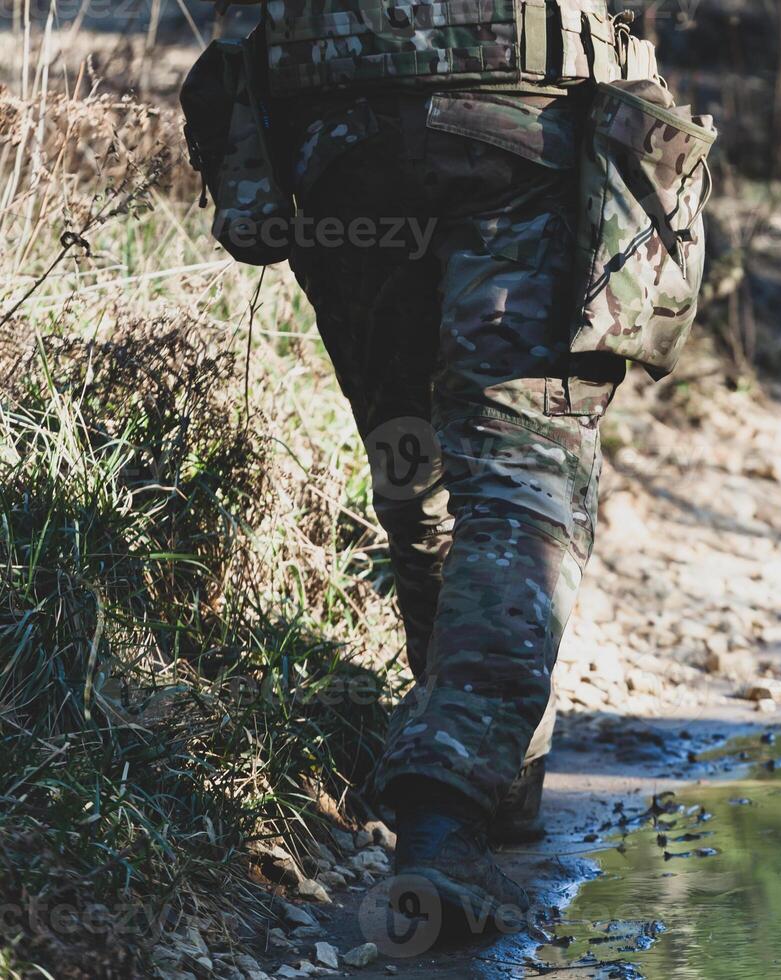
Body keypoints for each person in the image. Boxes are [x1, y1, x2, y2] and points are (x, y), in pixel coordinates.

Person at [209, 0, 698, 932]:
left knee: (417, 472)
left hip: (336, 133)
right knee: (519, 489)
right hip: (525, 126)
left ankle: (494, 778)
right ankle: (443, 814)